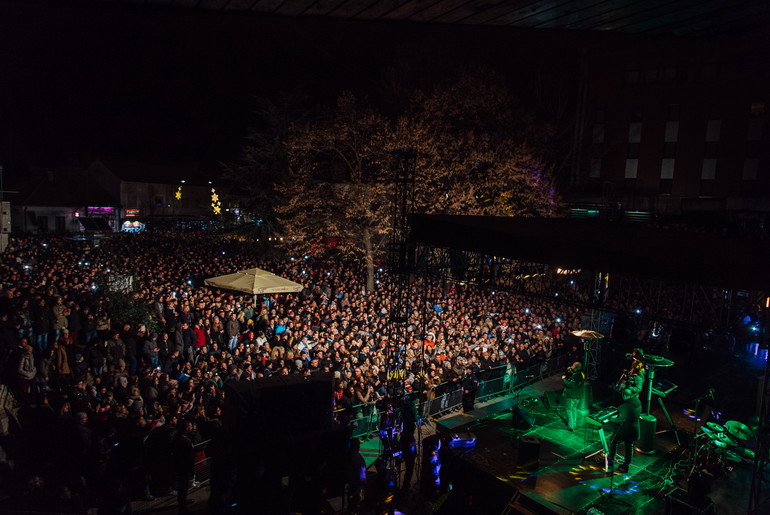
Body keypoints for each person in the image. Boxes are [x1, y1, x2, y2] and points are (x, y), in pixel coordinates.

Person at [607, 386, 641, 474]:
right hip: (634, 430)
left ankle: (610, 460)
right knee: (629, 446)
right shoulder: (638, 403)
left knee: (612, 441)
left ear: (624, 395)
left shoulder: (624, 406)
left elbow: (619, 420)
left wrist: (611, 419)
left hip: (625, 431)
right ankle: (626, 465)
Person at [562, 361, 584, 431]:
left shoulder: (575, 376)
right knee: (574, 409)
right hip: (578, 395)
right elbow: (572, 375)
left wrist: (563, 379)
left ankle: (570, 426)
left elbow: (570, 384)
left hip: (572, 395)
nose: (572, 366)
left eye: (573, 365)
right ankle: (574, 424)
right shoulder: (581, 374)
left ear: (576, 368)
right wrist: (570, 370)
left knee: (569, 410)